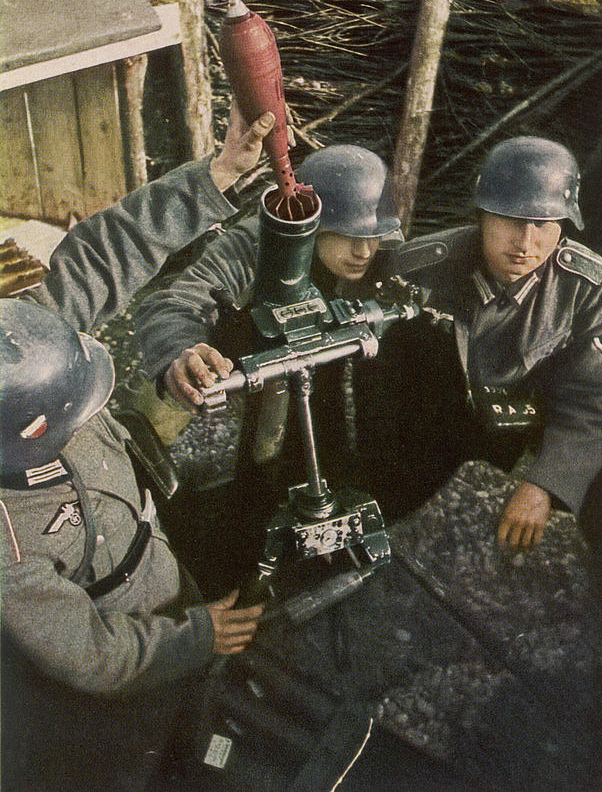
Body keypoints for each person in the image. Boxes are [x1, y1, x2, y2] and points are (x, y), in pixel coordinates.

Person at [0, 107, 274, 792]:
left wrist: (218, 173)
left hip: (151, 560)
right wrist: (193, 640)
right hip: (113, 657)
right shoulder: (9, 547)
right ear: (29, 438)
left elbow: (102, 252)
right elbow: (90, 656)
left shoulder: (23, 346)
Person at [133, 143, 403, 589]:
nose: (364, 250)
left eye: (373, 236)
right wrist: (180, 355)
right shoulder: (259, 243)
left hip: (328, 369)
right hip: (235, 364)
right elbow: (173, 303)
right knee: (157, 443)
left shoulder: (380, 245)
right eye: (347, 235)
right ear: (312, 224)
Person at [355, 136, 602, 556]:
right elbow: (378, 393)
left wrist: (544, 483)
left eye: (544, 224)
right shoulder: (421, 270)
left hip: (527, 433)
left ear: (565, 224)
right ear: (482, 216)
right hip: (430, 434)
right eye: (510, 220)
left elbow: (596, 396)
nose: (526, 243)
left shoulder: (585, 285)